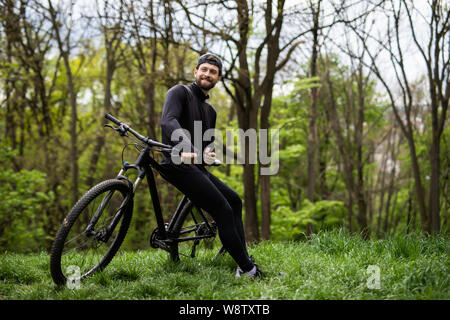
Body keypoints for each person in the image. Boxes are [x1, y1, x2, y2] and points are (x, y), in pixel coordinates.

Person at [159, 53, 262, 278]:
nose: (207, 74)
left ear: (218, 78)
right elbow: (168, 121)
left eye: (213, 72)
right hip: (175, 163)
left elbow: (205, 144)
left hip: (196, 168)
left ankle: (243, 258)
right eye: (203, 69)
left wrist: (206, 153)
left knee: (235, 201)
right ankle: (247, 269)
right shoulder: (179, 92)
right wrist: (188, 146)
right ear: (195, 72)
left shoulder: (210, 111)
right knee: (222, 210)